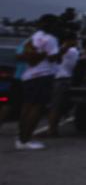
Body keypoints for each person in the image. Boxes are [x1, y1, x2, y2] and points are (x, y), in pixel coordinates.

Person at [14, 16, 61, 150]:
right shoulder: (51, 39)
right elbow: (53, 57)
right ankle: (26, 139)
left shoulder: (33, 37)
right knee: (36, 108)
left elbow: (23, 55)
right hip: (43, 75)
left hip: (29, 75)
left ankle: (21, 137)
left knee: (26, 107)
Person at [46, 33, 80, 138]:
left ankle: (53, 128)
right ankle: (52, 129)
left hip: (61, 78)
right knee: (56, 106)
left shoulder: (65, 50)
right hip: (62, 79)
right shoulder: (71, 50)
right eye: (75, 40)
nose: (77, 42)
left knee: (58, 106)